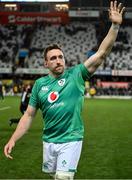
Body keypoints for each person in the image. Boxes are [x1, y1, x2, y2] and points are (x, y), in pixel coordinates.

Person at [4, 1, 125, 179]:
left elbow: (101, 54)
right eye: (53, 58)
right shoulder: (39, 85)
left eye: (61, 56)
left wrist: (114, 26)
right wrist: (13, 138)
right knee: (55, 176)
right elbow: (29, 115)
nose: (58, 60)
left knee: (63, 177)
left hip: (71, 139)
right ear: (46, 63)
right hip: (49, 142)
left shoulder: (76, 74)